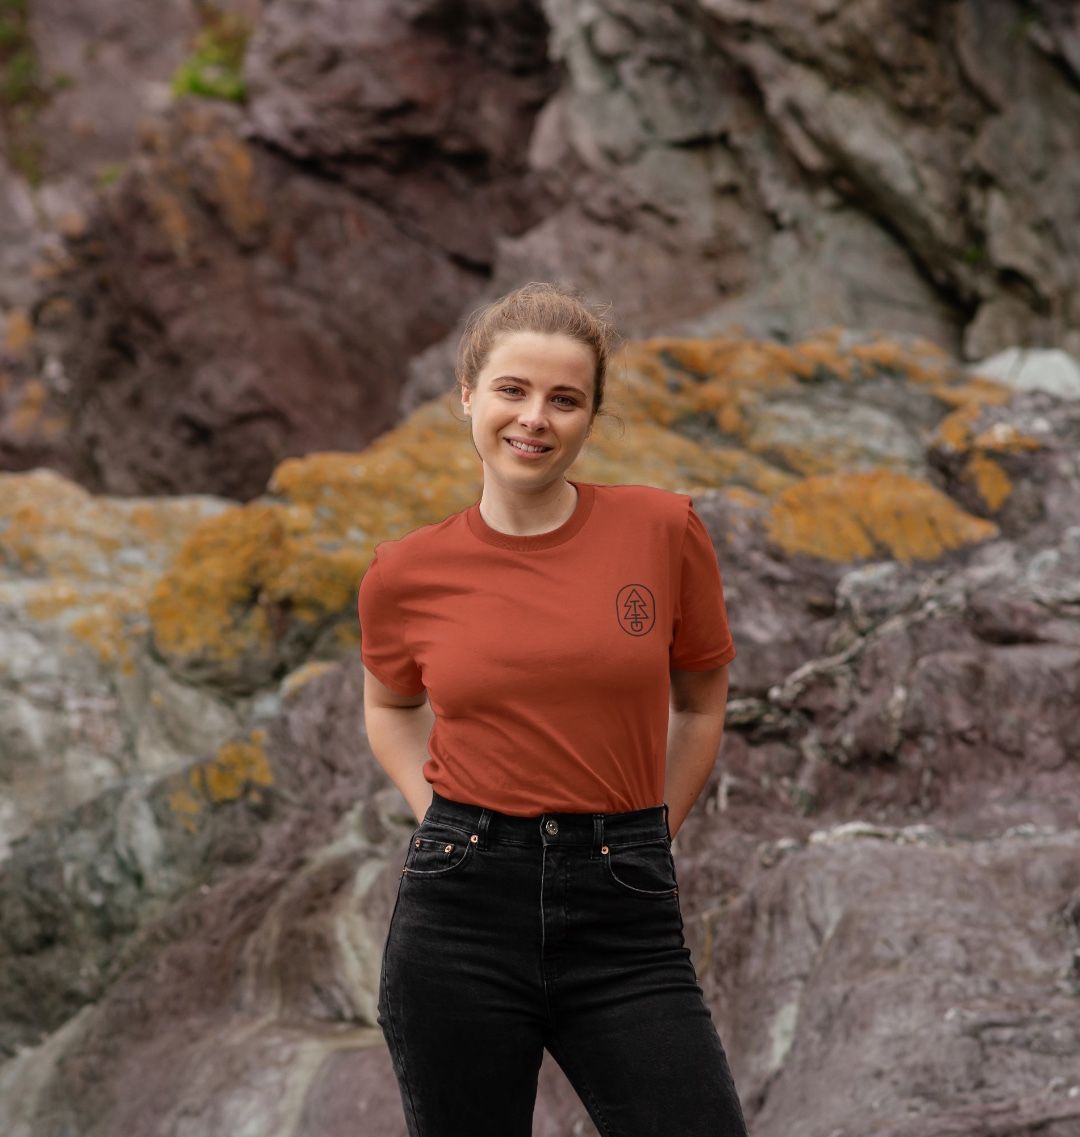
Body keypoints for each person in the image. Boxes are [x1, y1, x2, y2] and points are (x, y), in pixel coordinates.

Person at [357, 282, 750, 1137]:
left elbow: (702, 701)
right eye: (512, 390)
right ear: (468, 397)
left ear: (590, 416)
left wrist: (650, 834)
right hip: (459, 916)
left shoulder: (664, 530)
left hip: (624, 913)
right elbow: (390, 706)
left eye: (564, 399)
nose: (534, 418)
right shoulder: (403, 573)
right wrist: (437, 817)